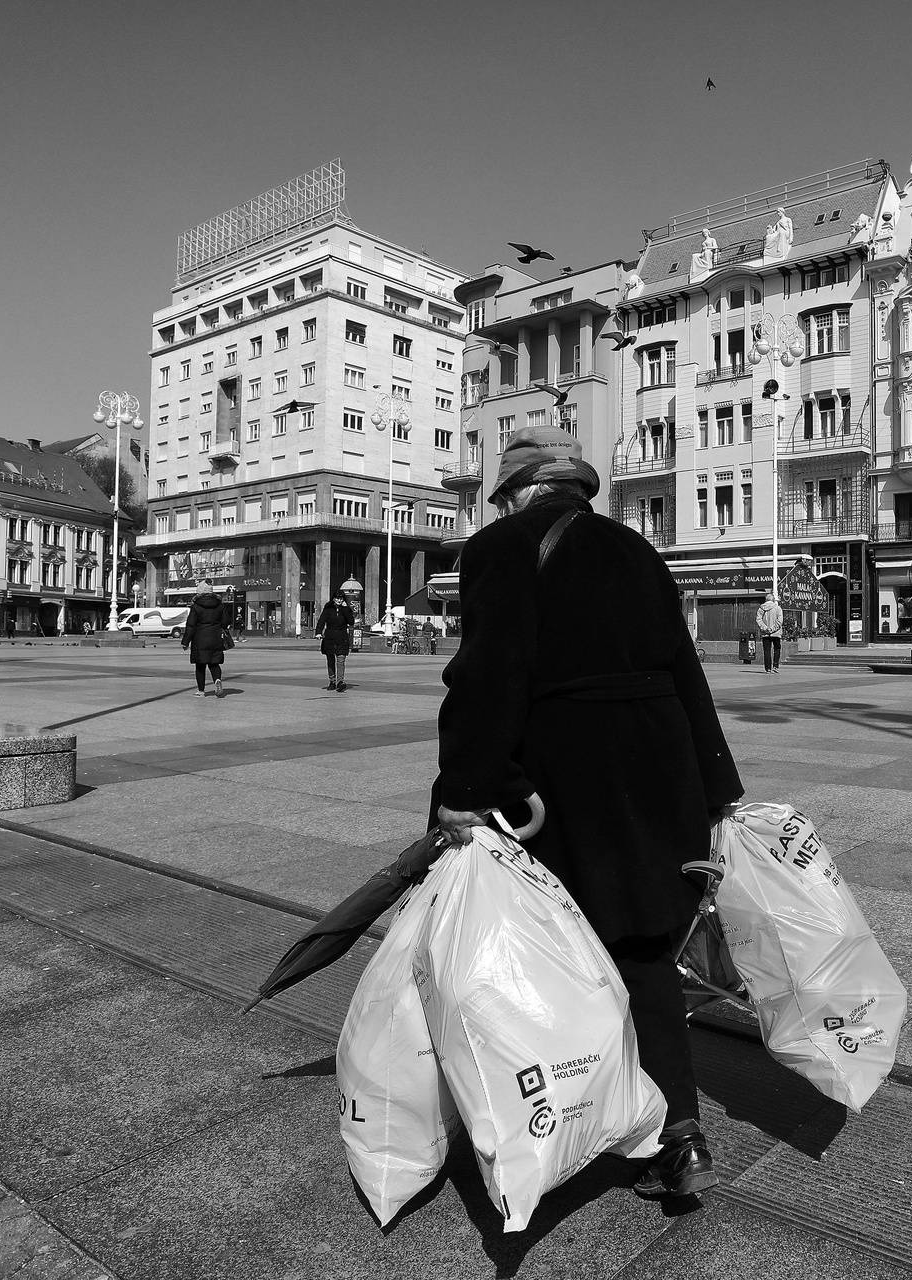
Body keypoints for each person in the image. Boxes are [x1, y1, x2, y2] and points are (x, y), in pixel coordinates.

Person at [432, 423, 743, 1201]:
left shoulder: (501, 549)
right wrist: (716, 786)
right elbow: (684, 666)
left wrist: (465, 787)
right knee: (641, 950)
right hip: (661, 771)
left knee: (551, 950)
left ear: (521, 492)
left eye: (504, 497)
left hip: (568, 780)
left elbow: (490, 672)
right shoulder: (637, 550)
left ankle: (564, 1119)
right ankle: (680, 1134)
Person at [182, 582, 231, 697]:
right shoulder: (220, 605)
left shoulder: (196, 606)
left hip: (200, 639)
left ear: (200, 592)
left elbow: (191, 625)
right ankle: (217, 680)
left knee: (200, 665)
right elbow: (226, 621)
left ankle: (201, 691)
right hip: (215, 638)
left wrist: (185, 642)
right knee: (214, 663)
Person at [316, 591, 356, 690]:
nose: (339, 600)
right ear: (333, 598)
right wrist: (318, 632)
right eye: (337, 598)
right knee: (330, 660)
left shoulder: (345, 610)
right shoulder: (328, 609)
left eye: (341, 598)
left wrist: (346, 608)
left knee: (341, 660)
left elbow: (351, 622)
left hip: (342, 638)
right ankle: (332, 681)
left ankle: (340, 682)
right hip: (330, 637)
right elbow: (321, 621)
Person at [755, 591, 784, 673]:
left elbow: (758, 619)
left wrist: (765, 628)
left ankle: (768, 668)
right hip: (776, 633)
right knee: (777, 649)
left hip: (765, 634)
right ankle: (775, 666)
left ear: (765, 600)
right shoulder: (778, 608)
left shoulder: (761, 608)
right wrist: (772, 629)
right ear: (773, 600)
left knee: (767, 651)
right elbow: (780, 621)